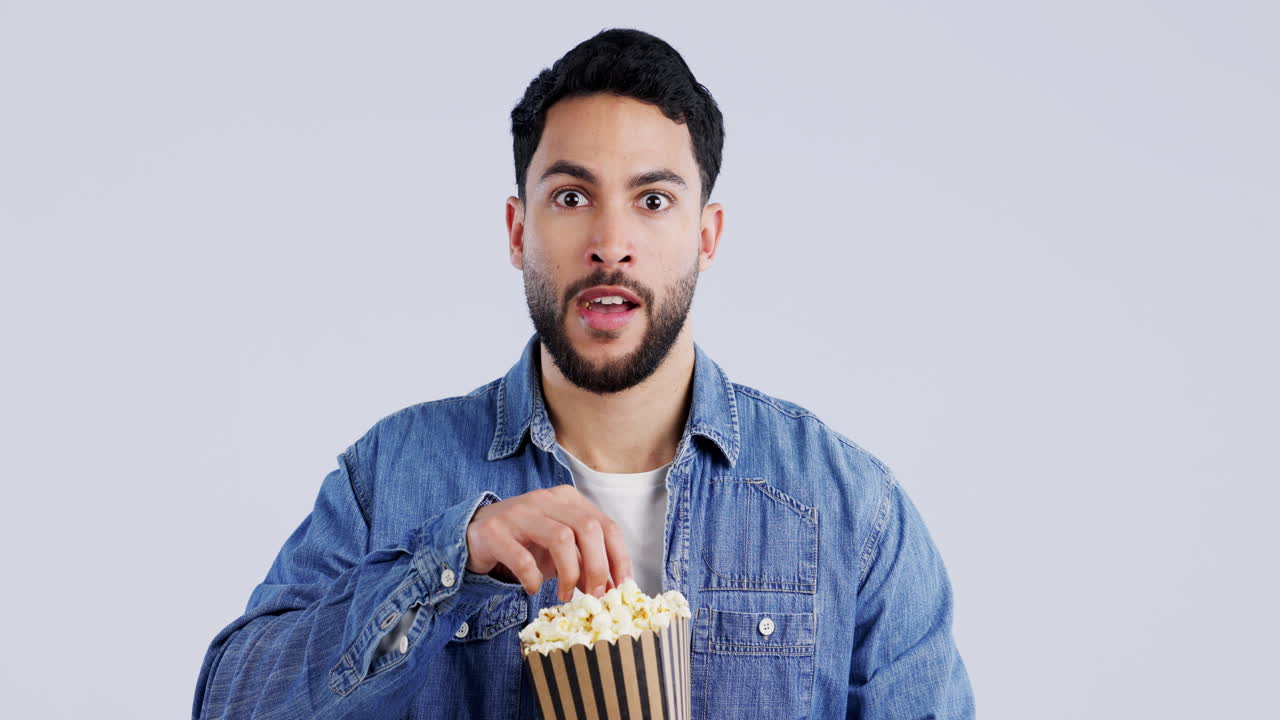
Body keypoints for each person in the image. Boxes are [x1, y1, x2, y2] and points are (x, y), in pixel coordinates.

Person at [192, 27, 974, 719]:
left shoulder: (849, 511)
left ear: (708, 235)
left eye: (653, 201)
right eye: (571, 197)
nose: (610, 241)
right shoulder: (388, 478)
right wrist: (448, 560)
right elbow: (229, 705)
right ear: (517, 229)